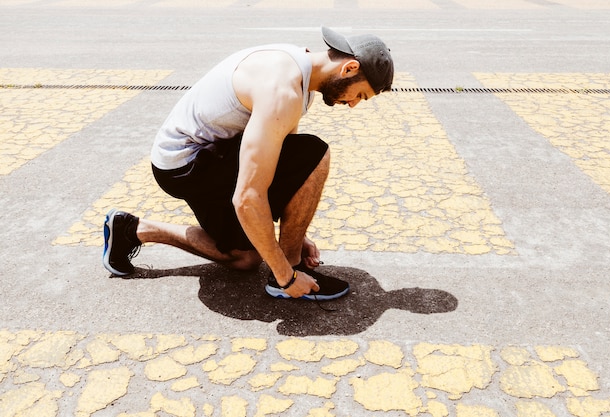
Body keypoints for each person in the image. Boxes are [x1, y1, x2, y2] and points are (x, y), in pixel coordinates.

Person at [102, 26, 394, 301]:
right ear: (350, 68)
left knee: (246, 258)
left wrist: (296, 232)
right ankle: (291, 273)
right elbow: (247, 197)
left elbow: (283, 166)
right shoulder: (283, 91)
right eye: (360, 95)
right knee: (315, 153)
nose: (354, 104)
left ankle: (132, 229)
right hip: (187, 165)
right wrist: (286, 276)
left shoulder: (297, 67)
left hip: (207, 154)